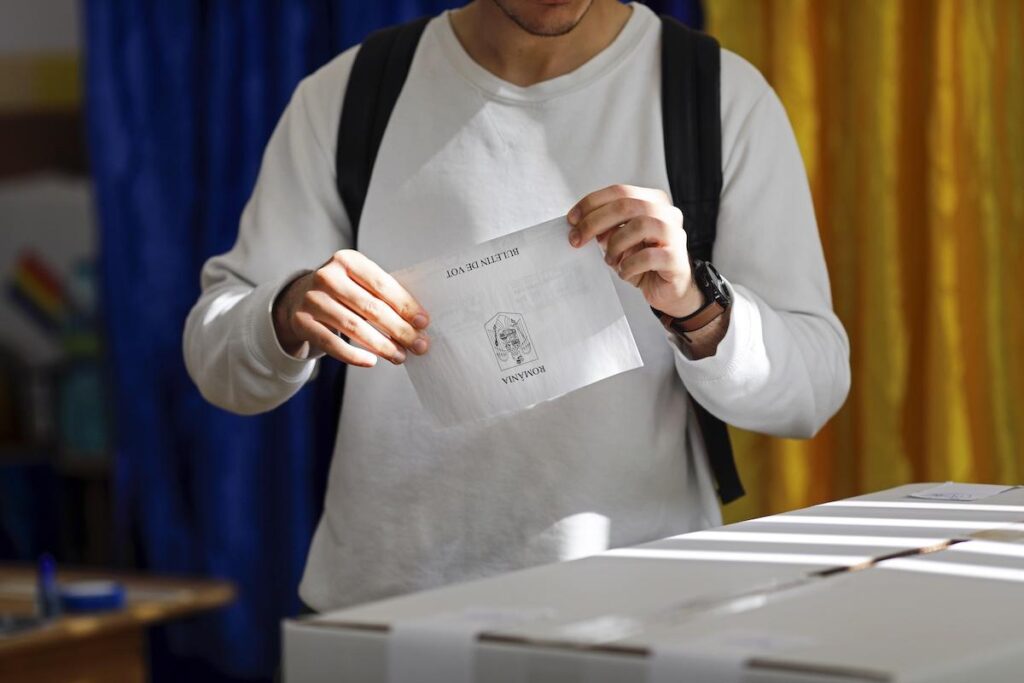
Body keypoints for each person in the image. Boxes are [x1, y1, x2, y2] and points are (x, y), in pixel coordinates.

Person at [183, 0, 850, 612]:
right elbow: (217, 362)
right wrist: (286, 312)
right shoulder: (349, 95)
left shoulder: (717, 97)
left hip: (635, 619)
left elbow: (813, 390)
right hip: (382, 619)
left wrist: (698, 306)